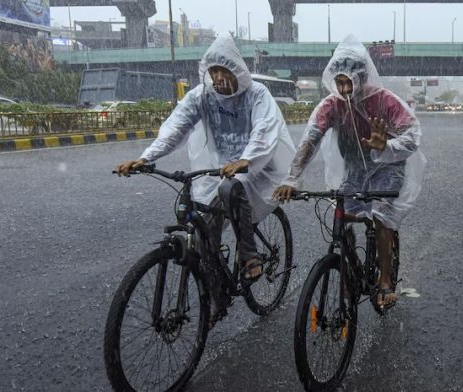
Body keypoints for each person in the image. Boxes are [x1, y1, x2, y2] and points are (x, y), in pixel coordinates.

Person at [115, 36, 296, 327]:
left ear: (237, 70)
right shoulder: (203, 96)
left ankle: (250, 256)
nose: (220, 78)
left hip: (259, 165)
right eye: (214, 73)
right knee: (201, 236)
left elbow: (264, 130)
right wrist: (146, 158)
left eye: (225, 72)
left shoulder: (257, 94)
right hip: (221, 168)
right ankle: (217, 297)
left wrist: (246, 160)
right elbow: (176, 127)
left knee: (231, 187)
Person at [273, 36, 425, 308]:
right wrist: (292, 179)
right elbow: (310, 139)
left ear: (361, 78)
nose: (343, 89)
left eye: (348, 82)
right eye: (339, 82)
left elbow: (412, 135)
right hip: (355, 171)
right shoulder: (331, 105)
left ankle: (386, 280)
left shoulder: (384, 100)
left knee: (380, 217)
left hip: (387, 168)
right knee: (341, 215)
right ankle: (347, 266)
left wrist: (387, 145)